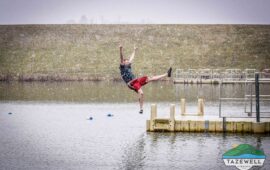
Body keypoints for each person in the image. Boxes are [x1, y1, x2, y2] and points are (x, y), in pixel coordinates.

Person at [119, 44, 172, 114]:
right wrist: (120, 49)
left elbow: (132, 58)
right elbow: (121, 58)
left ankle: (166, 74)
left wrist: (134, 50)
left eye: (128, 61)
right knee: (141, 93)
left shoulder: (128, 65)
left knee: (149, 78)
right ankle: (141, 109)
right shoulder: (122, 67)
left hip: (136, 80)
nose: (128, 62)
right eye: (126, 61)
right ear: (124, 62)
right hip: (131, 84)